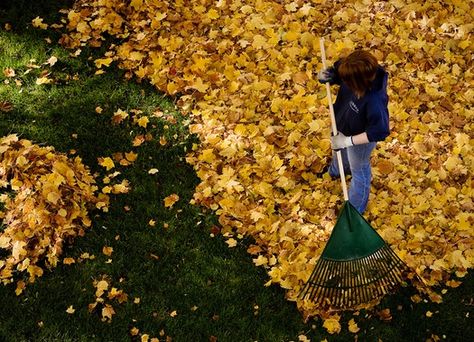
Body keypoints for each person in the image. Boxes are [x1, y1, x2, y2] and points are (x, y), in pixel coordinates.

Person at [318, 50, 390, 214]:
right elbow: (339, 73)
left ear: (357, 83)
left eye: (346, 81)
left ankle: (355, 209)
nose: (344, 82)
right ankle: (337, 171)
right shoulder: (354, 69)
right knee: (338, 151)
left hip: (359, 140)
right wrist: (329, 75)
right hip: (342, 122)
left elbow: (379, 131)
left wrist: (347, 141)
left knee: (359, 168)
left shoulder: (374, 101)